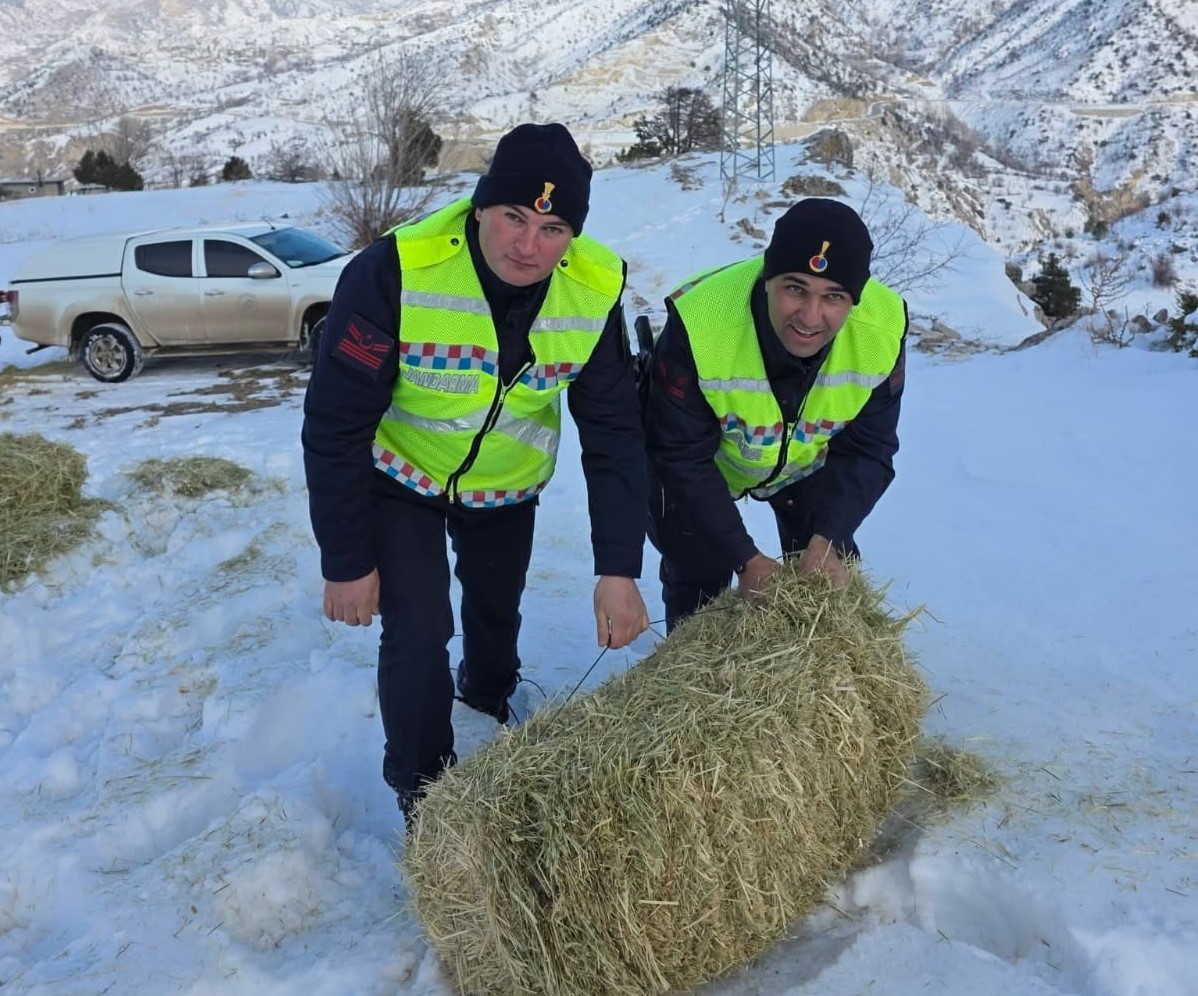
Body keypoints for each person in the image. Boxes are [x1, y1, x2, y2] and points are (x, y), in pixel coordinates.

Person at [302, 122, 650, 820]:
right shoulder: (396, 270)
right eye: (515, 217)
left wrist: (620, 568)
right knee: (420, 626)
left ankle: (489, 694)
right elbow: (336, 422)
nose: (528, 245)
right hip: (404, 477)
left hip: (506, 485)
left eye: (554, 229)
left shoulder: (594, 288)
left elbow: (614, 432)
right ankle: (424, 790)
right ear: (481, 205)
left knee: (497, 606)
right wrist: (345, 558)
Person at [643, 197, 908, 631]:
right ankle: (691, 675)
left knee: (828, 574)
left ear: (855, 300)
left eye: (834, 297)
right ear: (768, 277)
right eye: (795, 288)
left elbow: (869, 449)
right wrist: (744, 558)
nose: (809, 316)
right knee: (699, 572)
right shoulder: (702, 321)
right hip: (700, 467)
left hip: (803, 466)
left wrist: (829, 537)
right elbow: (679, 454)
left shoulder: (882, 329)